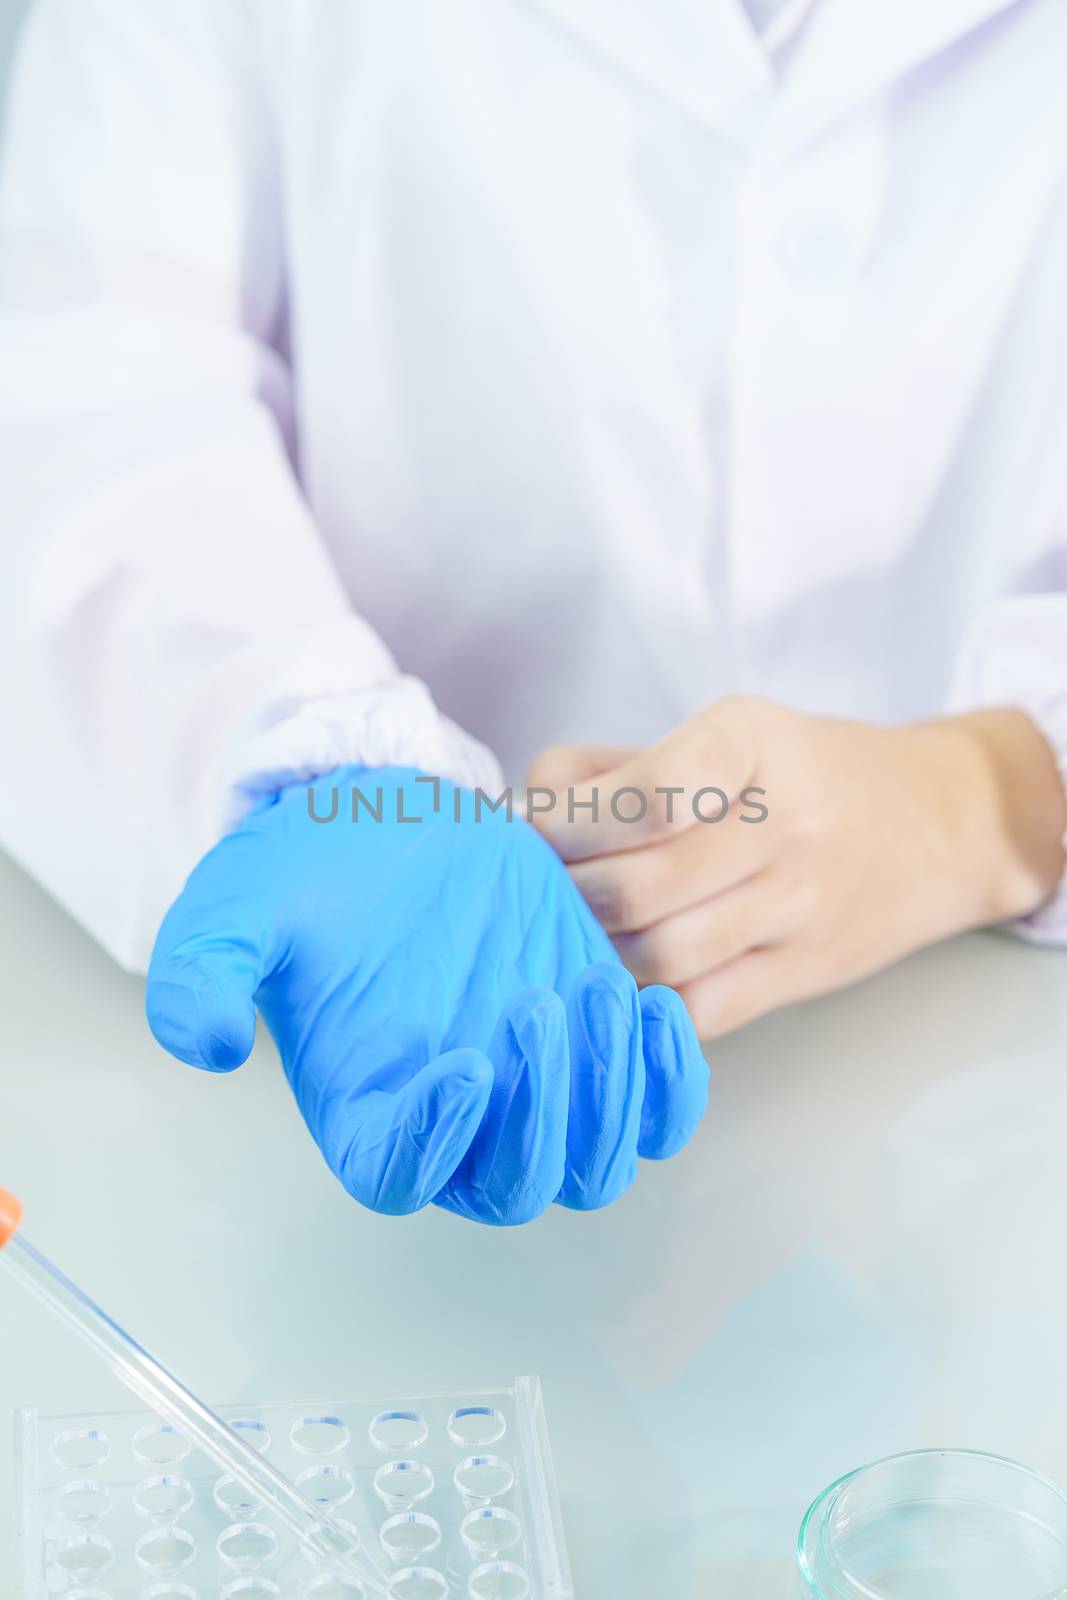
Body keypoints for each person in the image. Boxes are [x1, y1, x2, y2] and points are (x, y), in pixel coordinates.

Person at [1, 0, 1065, 1223]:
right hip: (327, 1078)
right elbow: (85, 396)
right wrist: (322, 772)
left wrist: (986, 799)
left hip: (997, 1101)